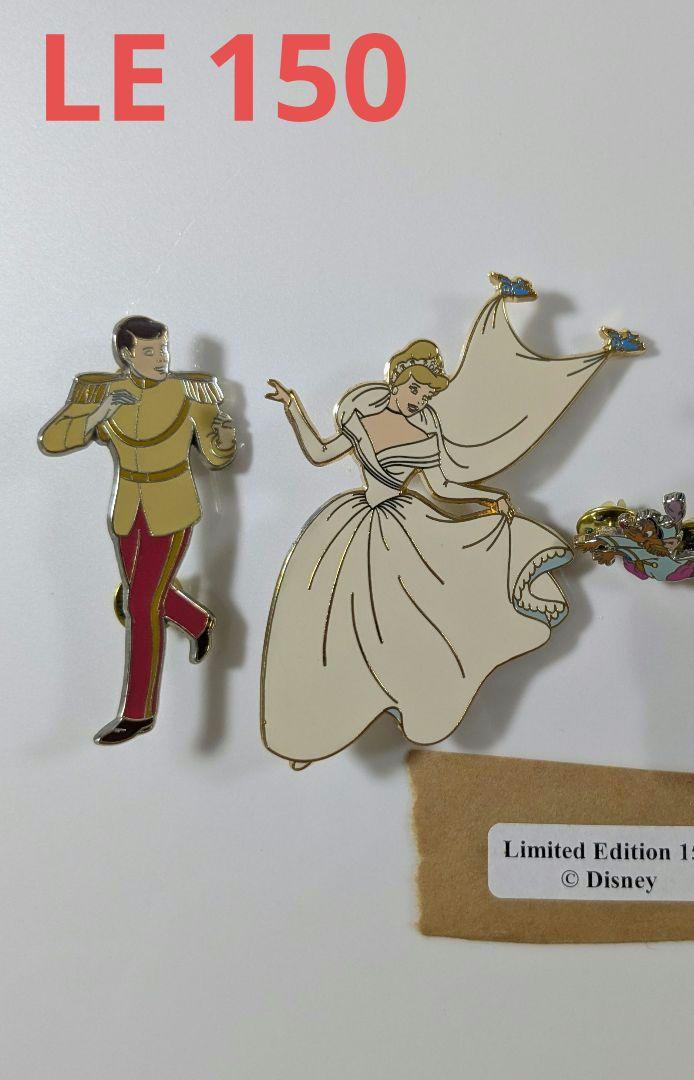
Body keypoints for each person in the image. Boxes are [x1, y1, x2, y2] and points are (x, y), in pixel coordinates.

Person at [261, 281, 639, 768]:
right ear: (397, 379)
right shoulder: (359, 414)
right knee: (325, 621)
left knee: (411, 620)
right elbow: (318, 454)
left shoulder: (426, 434)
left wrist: (489, 498)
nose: (419, 399)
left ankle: (406, 695)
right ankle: (312, 731)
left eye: (427, 393)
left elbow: (442, 488)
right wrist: (294, 408)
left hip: (403, 525)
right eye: (414, 388)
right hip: (351, 526)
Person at [39, 316, 236, 744]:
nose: (161, 358)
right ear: (127, 354)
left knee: (142, 604)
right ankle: (197, 620)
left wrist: (224, 439)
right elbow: (52, 440)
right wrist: (101, 412)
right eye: (149, 351)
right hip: (128, 509)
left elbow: (216, 455)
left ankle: (138, 712)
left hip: (173, 507)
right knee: (143, 596)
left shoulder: (190, 393)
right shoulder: (100, 392)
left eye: (163, 348)